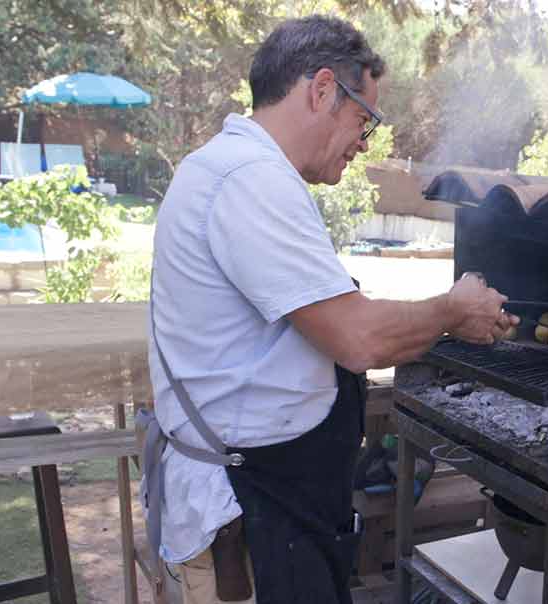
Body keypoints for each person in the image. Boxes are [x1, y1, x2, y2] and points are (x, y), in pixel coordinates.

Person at [143, 15, 517, 604]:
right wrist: (451, 310)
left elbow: (329, 318)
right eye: (364, 118)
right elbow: (357, 336)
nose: (365, 141)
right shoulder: (249, 179)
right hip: (254, 505)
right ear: (321, 90)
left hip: (275, 492)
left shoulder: (239, 169)